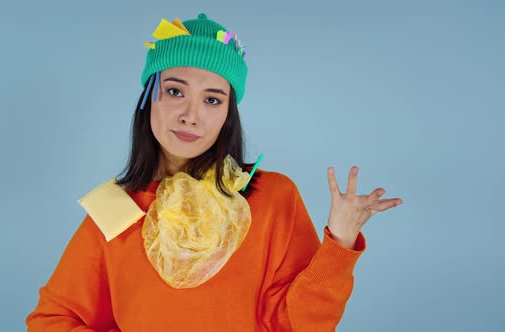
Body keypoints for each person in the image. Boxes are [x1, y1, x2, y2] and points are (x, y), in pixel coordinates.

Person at [26, 13, 402, 331]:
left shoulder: (273, 199)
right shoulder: (114, 210)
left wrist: (340, 241)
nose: (192, 114)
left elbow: (296, 324)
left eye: (212, 99)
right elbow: (52, 318)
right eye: (175, 91)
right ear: (147, 97)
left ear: (227, 116)